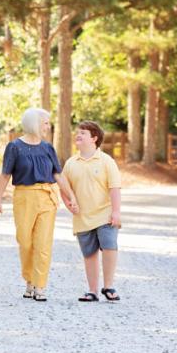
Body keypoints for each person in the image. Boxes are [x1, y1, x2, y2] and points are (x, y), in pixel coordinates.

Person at [0, 108, 79, 301]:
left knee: (43, 243)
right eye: (45, 122)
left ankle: (39, 285)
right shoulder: (14, 147)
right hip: (24, 197)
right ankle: (29, 279)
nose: (48, 126)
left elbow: (58, 174)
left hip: (47, 196)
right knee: (25, 241)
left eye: (48, 123)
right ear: (34, 123)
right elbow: (5, 174)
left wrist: (70, 196)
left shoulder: (48, 148)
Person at [62, 120, 122, 302]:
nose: (78, 135)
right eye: (77, 132)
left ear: (94, 138)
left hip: (105, 214)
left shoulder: (106, 161)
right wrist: (69, 204)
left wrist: (116, 212)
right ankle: (92, 290)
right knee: (89, 254)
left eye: (83, 133)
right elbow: (64, 188)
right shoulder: (71, 163)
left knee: (110, 247)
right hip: (82, 217)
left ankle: (109, 286)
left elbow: (114, 187)